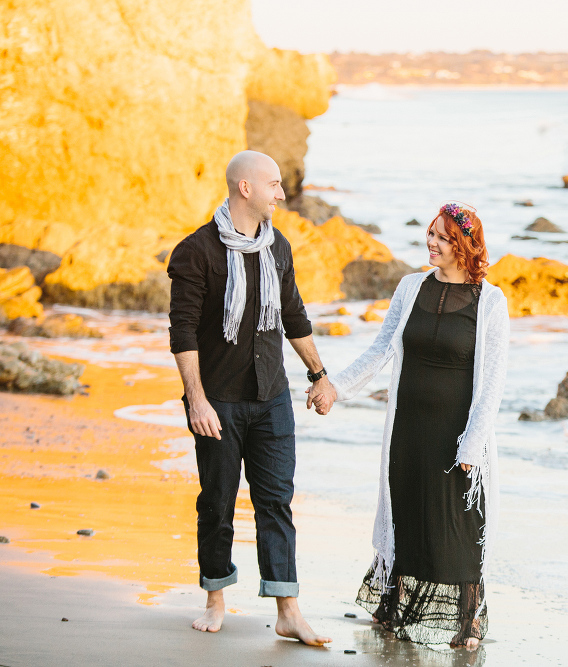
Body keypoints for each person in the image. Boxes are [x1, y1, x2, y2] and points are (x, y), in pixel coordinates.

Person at [167, 150, 335, 645]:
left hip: (271, 398)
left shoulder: (277, 246)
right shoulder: (195, 252)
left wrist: (319, 375)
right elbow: (183, 335)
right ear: (246, 189)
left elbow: (295, 317)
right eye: (274, 185)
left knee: (276, 502)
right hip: (217, 399)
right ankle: (216, 597)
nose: (282, 193)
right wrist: (195, 400)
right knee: (217, 503)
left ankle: (287, 609)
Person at [329, 203, 509, 648]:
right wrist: (335, 388)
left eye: (443, 237)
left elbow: (492, 384)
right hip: (407, 426)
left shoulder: (490, 302)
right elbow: (380, 351)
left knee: (460, 524)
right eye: (430, 234)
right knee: (406, 515)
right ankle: (393, 604)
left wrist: (472, 446)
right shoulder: (410, 288)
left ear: (465, 244)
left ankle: (467, 623)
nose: (432, 242)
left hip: (456, 433)